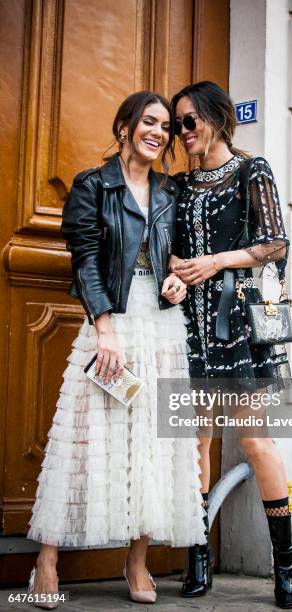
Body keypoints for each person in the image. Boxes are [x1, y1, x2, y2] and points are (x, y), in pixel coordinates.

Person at [26, 91, 206, 609]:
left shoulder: (171, 191)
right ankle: (47, 558)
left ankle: (137, 561)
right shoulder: (92, 185)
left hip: (162, 328)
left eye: (167, 126)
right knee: (82, 440)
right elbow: (85, 260)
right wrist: (104, 329)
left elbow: (176, 259)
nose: (159, 132)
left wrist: (179, 283)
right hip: (111, 320)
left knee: (153, 440)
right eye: (149, 121)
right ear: (124, 126)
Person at [170, 81, 292, 609]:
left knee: (256, 442)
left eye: (188, 121)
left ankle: (285, 569)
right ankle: (198, 557)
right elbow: (165, 249)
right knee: (197, 442)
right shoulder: (176, 187)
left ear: (216, 119)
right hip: (192, 328)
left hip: (242, 330)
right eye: (178, 123)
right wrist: (175, 270)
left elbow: (276, 244)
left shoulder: (253, 171)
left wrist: (217, 261)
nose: (182, 133)